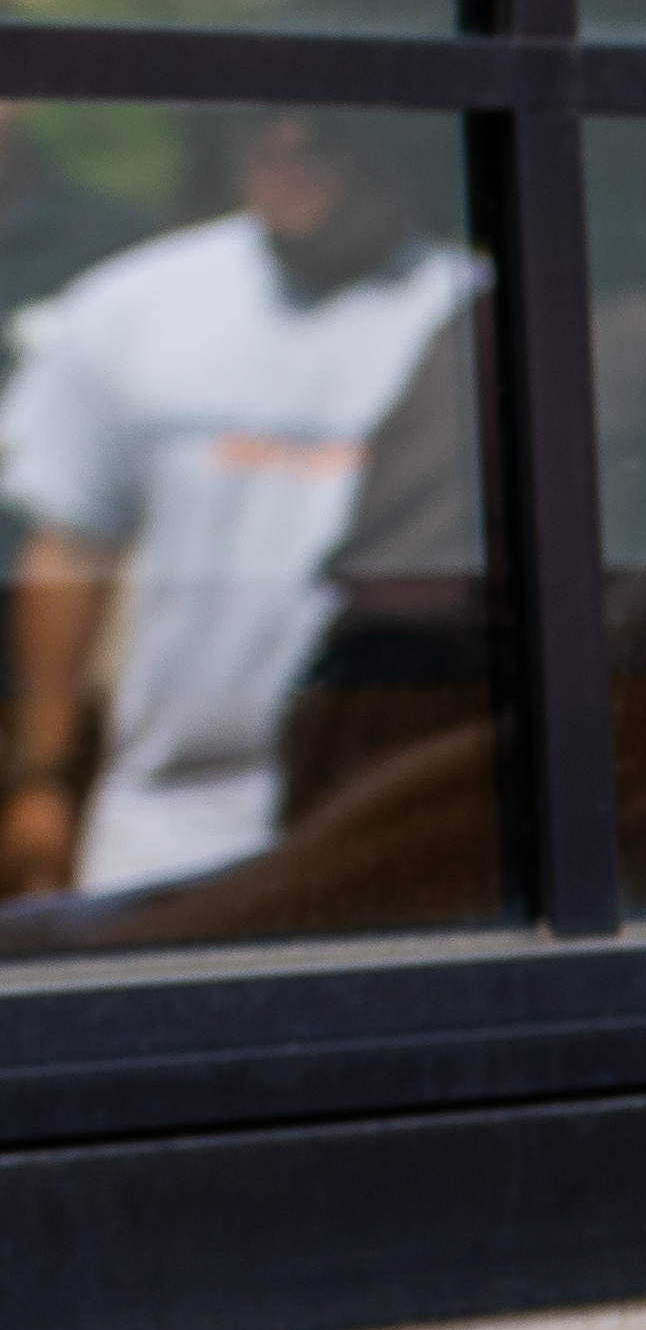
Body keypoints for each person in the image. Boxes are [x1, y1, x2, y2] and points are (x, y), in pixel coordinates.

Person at [0, 99, 474, 897]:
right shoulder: (131, 304)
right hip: (162, 824)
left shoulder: (473, 315)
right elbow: (71, 544)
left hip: (389, 816)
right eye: (262, 114)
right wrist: (42, 779)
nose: (288, 138)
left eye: (324, 120)